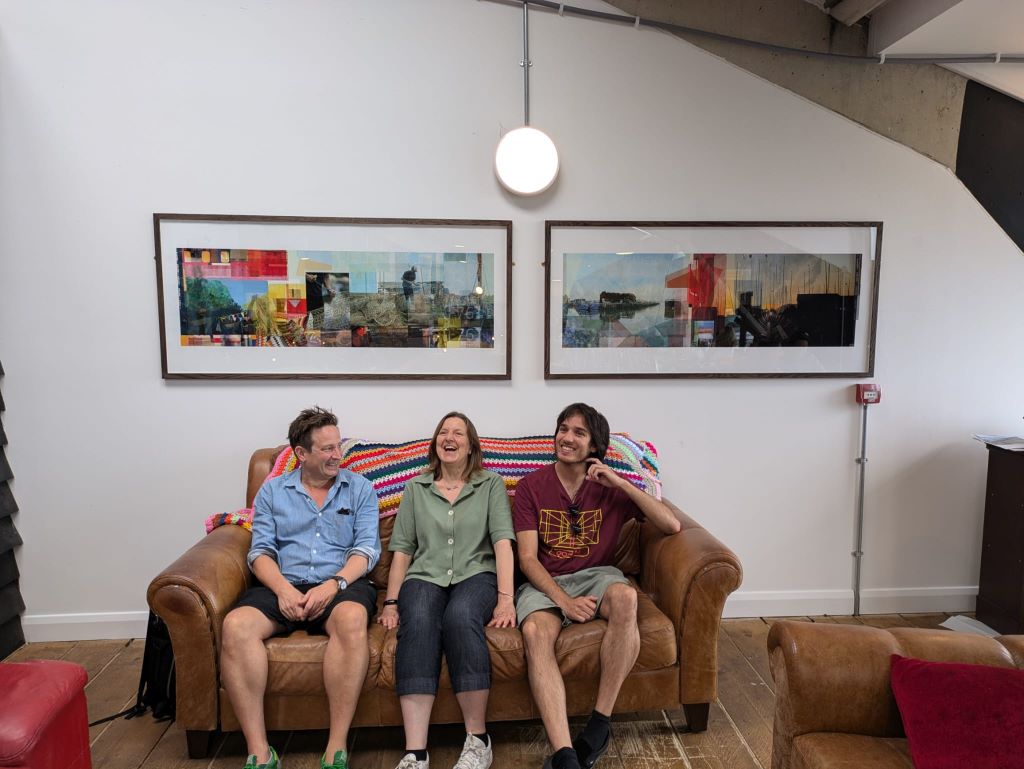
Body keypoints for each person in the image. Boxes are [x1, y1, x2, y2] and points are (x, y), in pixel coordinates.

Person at [513, 403, 682, 769]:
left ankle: (599, 723)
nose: (566, 438)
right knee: (534, 632)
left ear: (594, 447)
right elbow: (526, 560)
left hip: (598, 574)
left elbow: (671, 526)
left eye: (578, 432)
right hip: (546, 580)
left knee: (624, 597)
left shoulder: (610, 488)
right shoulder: (530, 487)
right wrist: (565, 601)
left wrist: (621, 483)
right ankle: (565, 754)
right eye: (562, 428)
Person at [220, 406, 381, 769]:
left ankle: (336, 747)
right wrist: (283, 590)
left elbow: (366, 549)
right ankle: (259, 752)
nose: (337, 455)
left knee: (353, 618)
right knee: (236, 626)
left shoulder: (359, 489)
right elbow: (260, 551)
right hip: (284, 582)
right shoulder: (272, 492)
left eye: (338, 446)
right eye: (327, 449)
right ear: (301, 454)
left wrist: (333, 584)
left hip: (340, 582)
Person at [377, 412, 516, 769]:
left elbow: (503, 544)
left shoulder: (491, 485)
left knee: (460, 616)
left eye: (458, 433)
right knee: (420, 619)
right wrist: (391, 602)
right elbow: (403, 550)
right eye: (443, 432)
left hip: (477, 575)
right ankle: (416, 753)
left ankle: (477, 740)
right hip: (424, 576)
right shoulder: (415, 488)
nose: (449, 437)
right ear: (435, 442)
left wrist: (505, 599)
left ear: (471, 446)